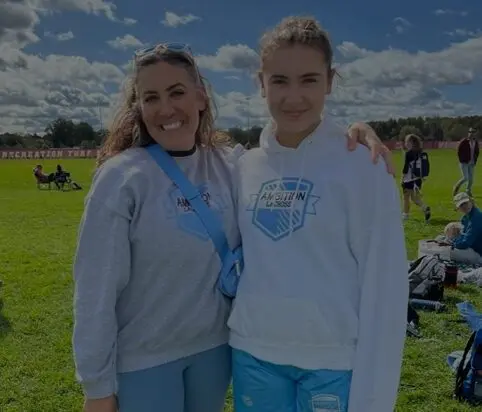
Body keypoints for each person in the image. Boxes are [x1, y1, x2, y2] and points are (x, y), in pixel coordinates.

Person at [73, 42, 393, 412]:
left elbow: (290, 153)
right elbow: (94, 289)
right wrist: (96, 386)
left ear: (201, 97)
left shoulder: (232, 166)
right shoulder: (121, 177)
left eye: (177, 92)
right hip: (145, 362)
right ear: (139, 108)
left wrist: (350, 133)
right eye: (151, 97)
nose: (166, 108)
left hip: (215, 353)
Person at [228, 16, 408, 412]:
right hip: (254, 351)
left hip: (332, 359)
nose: (294, 96)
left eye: (308, 80)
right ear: (261, 83)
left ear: (330, 81)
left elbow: (386, 282)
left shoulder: (365, 168)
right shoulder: (243, 167)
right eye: (279, 81)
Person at [439, 192, 482, 264]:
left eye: (466, 203)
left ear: (471, 201)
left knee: (443, 251)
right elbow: (463, 237)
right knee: (439, 238)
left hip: (478, 254)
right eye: (461, 205)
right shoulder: (466, 217)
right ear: (458, 208)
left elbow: (465, 243)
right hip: (471, 248)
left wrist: (451, 243)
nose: (464, 206)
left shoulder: (476, 218)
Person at [401, 134, 431, 222]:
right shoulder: (420, 152)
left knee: (406, 197)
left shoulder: (409, 153)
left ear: (411, 142)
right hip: (418, 179)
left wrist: (402, 178)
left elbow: (406, 168)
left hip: (409, 179)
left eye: (407, 141)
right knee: (414, 198)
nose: (405, 143)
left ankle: (405, 215)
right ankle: (425, 208)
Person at [454, 127, 479, 197]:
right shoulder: (464, 141)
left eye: (473, 132)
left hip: (472, 163)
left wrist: (475, 160)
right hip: (464, 162)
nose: (471, 134)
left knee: (471, 179)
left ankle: (468, 191)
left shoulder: (475, 142)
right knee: (465, 178)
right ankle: (456, 187)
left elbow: (477, 151)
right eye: (470, 132)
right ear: (468, 133)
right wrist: (461, 160)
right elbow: (458, 151)